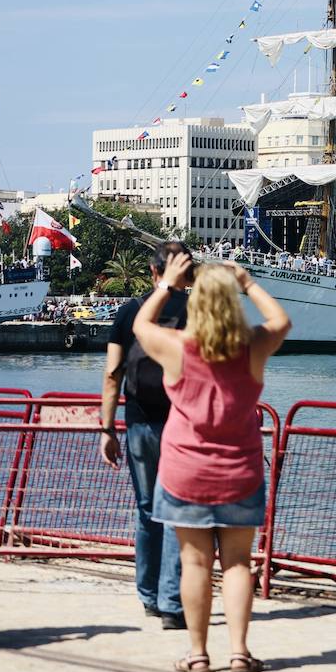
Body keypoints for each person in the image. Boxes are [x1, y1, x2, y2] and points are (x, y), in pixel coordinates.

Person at [137, 254, 291, 672]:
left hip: (185, 470)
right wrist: (249, 283)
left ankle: (198, 653)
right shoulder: (253, 346)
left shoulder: (178, 348)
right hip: (239, 469)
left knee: (195, 563)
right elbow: (282, 322)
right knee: (239, 564)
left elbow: (140, 326)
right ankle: (240, 652)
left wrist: (167, 284)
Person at [98, 242, 193, 631]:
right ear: (186, 274)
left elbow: (112, 375)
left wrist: (106, 429)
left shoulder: (128, 313)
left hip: (137, 423)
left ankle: (149, 597)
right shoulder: (196, 312)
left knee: (146, 509)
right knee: (177, 512)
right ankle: (173, 602)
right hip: (182, 424)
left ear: (153, 273)